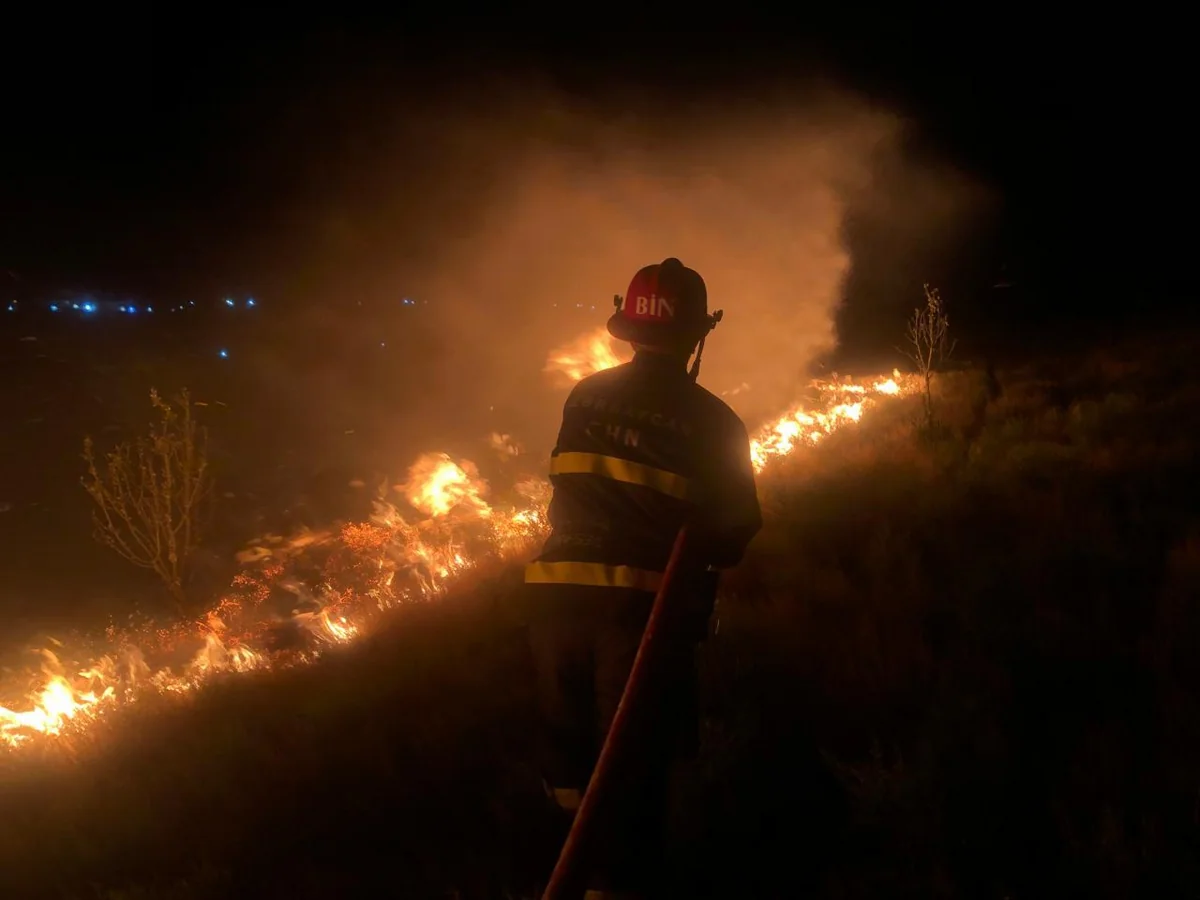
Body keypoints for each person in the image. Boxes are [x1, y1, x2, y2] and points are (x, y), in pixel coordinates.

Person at [524, 257, 763, 897]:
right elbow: (738, 533)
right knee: (629, 774)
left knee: (568, 770)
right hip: (637, 616)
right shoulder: (715, 422)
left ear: (627, 330)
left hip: (553, 599)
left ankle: (569, 871)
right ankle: (616, 885)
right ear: (697, 336)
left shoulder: (583, 395)